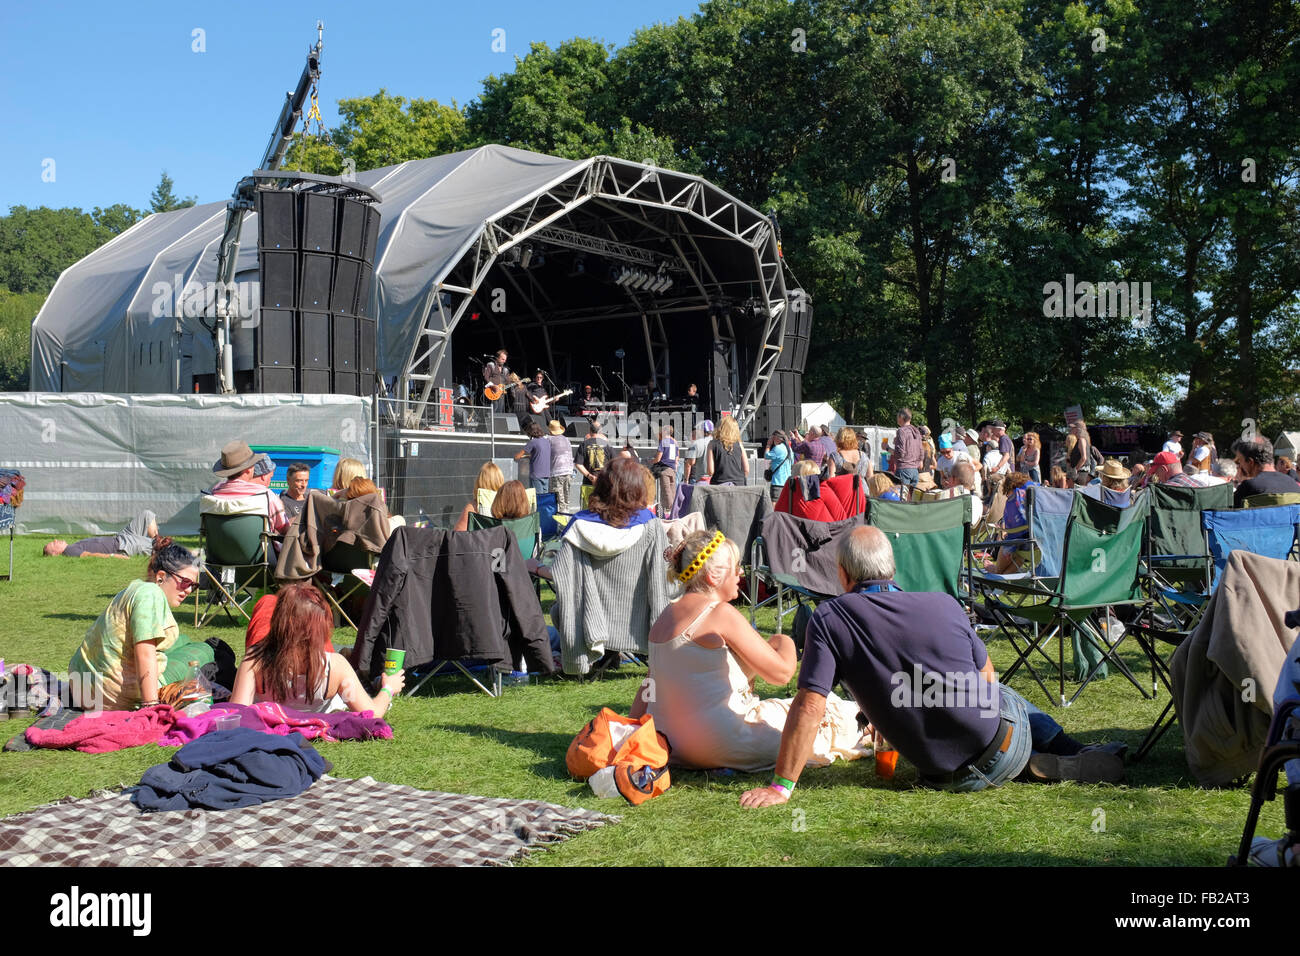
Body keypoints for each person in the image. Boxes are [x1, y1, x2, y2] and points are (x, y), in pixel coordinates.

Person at [738, 527, 1125, 808]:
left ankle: (1029, 762)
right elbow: (987, 677)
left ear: (843, 573)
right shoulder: (943, 603)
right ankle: (1063, 752)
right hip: (1000, 739)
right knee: (1001, 694)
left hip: (943, 775)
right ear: (890, 569)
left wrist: (781, 787)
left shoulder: (830, 617)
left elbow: (810, 705)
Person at [631, 529, 869, 772]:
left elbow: (649, 687)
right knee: (827, 713)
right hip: (724, 744)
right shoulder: (719, 613)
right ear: (714, 575)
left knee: (780, 700)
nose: (741, 572)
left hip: (674, 747)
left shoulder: (664, 619)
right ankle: (871, 725)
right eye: (735, 567)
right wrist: (787, 641)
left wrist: (631, 729)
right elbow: (781, 674)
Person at [68, 538, 210, 711]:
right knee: (205, 650)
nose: (188, 590)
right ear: (161, 577)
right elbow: (144, 653)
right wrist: (150, 707)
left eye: (193, 586)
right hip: (110, 697)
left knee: (183, 639)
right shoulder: (150, 595)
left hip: (82, 687)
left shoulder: (137, 588)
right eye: (185, 582)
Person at [231, 583, 402, 717]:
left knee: (267, 601)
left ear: (277, 621)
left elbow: (237, 715)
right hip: (321, 681)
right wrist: (388, 688)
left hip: (272, 675)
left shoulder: (255, 660)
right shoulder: (336, 666)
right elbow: (371, 714)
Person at [210, 440, 289, 533]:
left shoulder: (214, 493)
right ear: (249, 469)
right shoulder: (266, 496)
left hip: (218, 547)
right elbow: (285, 529)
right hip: (260, 547)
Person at [43, 509, 160, 559]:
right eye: (53, 544)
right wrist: (114, 556)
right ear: (55, 554)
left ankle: (159, 540)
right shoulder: (69, 551)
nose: (55, 540)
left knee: (146, 515)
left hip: (122, 536)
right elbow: (89, 555)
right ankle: (168, 549)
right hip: (122, 545)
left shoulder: (72, 546)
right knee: (158, 546)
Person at [984, 471, 1035, 574]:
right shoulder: (1036, 493)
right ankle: (999, 579)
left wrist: (1004, 533)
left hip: (1022, 543)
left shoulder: (1014, 500)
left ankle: (996, 571)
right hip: (1039, 544)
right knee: (1019, 556)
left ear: (1009, 487)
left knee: (1009, 544)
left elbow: (1012, 531)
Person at [1232, 436, 1300, 507]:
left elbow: (1230, 514)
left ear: (1250, 462)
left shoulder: (1248, 487)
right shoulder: (1293, 484)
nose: (1239, 465)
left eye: (1239, 461)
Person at [454, 462, 506, 532]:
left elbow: (457, 535)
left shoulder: (473, 508)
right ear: (501, 481)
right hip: (502, 542)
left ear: (479, 481)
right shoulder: (507, 506)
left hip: (480, 542)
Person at [706, 416, 749, 485]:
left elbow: (710, 471)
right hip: (739, 485)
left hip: (719, 485)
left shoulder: (712, 444)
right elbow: (746, 470)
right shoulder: (739, 445)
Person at [514, 421, 552, 496]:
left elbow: (517, 456)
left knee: (537, 498)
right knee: (544, 499)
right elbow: (540, 454)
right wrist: (529, 456)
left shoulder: (533, 442)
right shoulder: (547, 441)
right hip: (546, 474)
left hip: (536, 475)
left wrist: (517, 457)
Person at [890, 408, 924, 488]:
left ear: (901, 417)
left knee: (902, 498)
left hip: (903, 470)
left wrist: (887, 448)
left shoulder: (901, 431)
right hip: (915, 471)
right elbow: (921, 451)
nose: (897, 418)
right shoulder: (916, 431)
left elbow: (900, 453)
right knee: (911, 498)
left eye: (897, 416)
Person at [547, 420, 575, 514]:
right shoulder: (566, 439)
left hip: (557, 472)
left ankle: (560, 523)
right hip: (569, 471)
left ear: (550, 430)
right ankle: (567, 518)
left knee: (558, 499)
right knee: (566, 498)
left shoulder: (549, 439)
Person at [651, 425, 678, 515]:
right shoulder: (675, 442)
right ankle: (674, 509)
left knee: (666, 491)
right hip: (673, 469)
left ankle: (669, 511)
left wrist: (652, 461)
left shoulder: (664, 441)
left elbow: (658, 458)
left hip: (664, 469)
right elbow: (677, 457)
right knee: (672, 490)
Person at [576, 420, 611, 488]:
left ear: (590, 430)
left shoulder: (584, 444)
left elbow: (578, 464)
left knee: (588, 498)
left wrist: (589, 476)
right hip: (604, 483)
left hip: (588, 484)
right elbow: (614, 463)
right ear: (600, 431)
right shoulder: (607, 445)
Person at [763, 430, 794, 501]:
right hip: (787, 482)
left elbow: (766, 455)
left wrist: (768, 445)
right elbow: (792, 463)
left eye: (772, 438)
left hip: (778, 481)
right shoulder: (789, 449)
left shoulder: (777, 448)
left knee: (775, 504)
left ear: (776, 438)